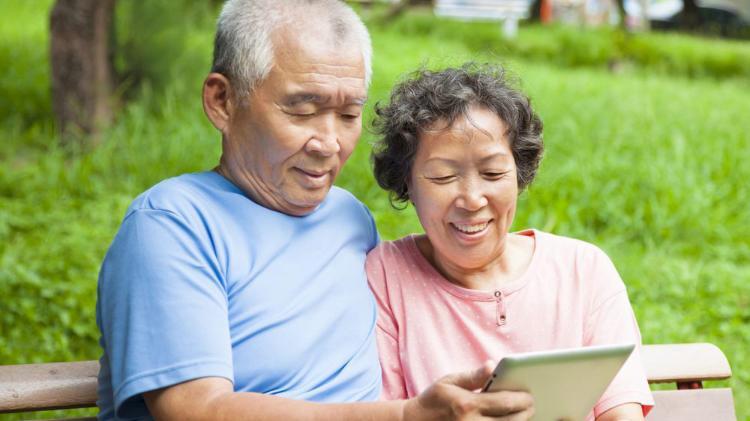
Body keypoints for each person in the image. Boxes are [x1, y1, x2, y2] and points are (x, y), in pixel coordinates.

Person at [95, 1, 534, 420]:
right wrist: (402, 416)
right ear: (222, 101)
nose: (329, 143)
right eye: (303, 110)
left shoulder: (348, 218)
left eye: (348, 115)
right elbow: (195, 409)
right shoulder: (172, 225)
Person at [367, 63, 655, 421]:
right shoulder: (384, 277)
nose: (472, 199)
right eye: (443, 176)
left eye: (493, 173)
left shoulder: (583, 271)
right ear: (407, 182)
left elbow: (621, 413)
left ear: (519, 174)